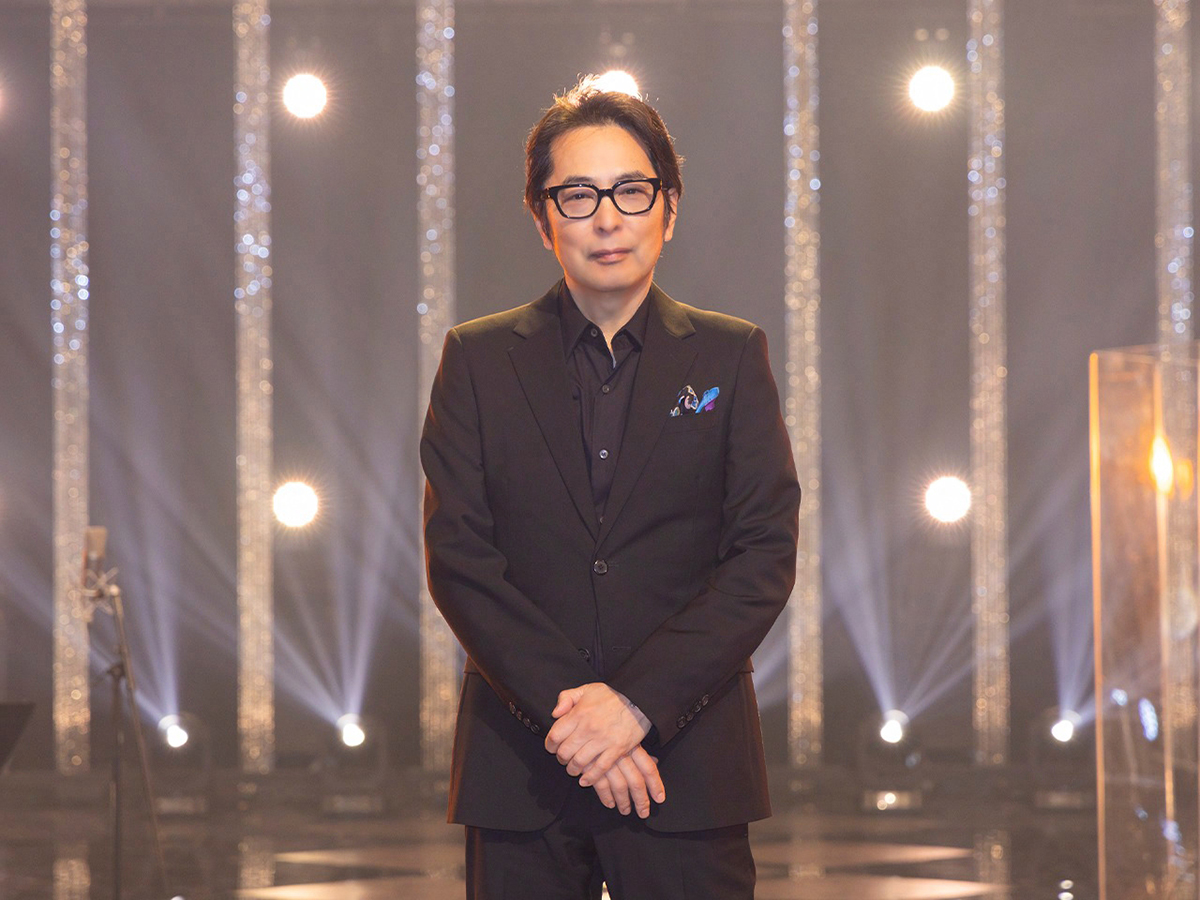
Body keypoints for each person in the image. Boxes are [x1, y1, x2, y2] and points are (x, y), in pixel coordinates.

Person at [421, 76, 801, 900]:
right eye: (578, 194)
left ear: (669, 208)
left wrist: (634, 707)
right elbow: (460, 560)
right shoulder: (477, 360)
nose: (606, 217)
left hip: (688, 765)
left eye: (631, 190)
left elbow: (761, 558)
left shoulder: (731, 357)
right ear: (542, 217)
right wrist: (579, 718)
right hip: (520, 769)